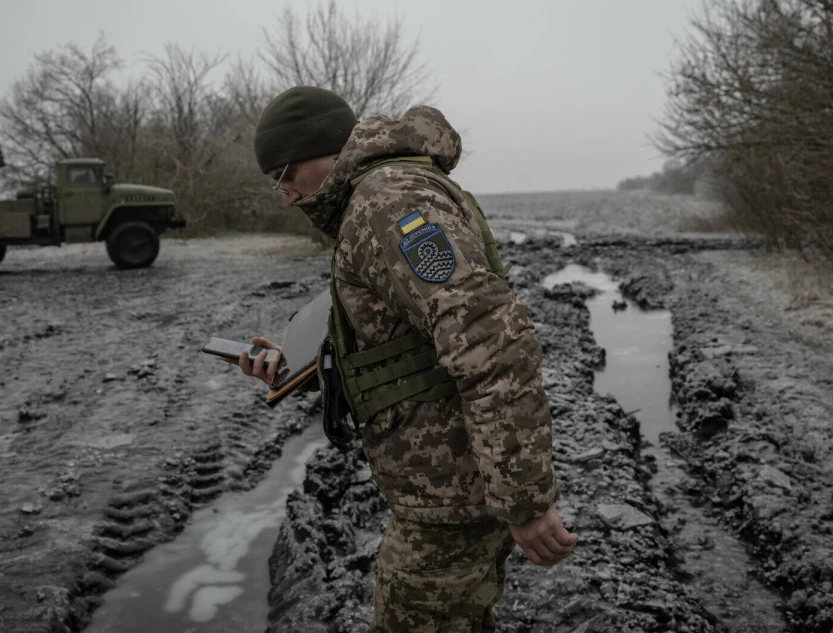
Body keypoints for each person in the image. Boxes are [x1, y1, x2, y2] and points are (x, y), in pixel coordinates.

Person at [234, 86, 577, 632]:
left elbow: (493, 343)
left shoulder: (390, 203)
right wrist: (301, 368)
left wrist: (526, 501)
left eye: (282, 176)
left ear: (320, 153)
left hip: (453, 500)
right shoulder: (374, 201)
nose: (286, 196)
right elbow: (404, 347)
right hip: (442, 492)